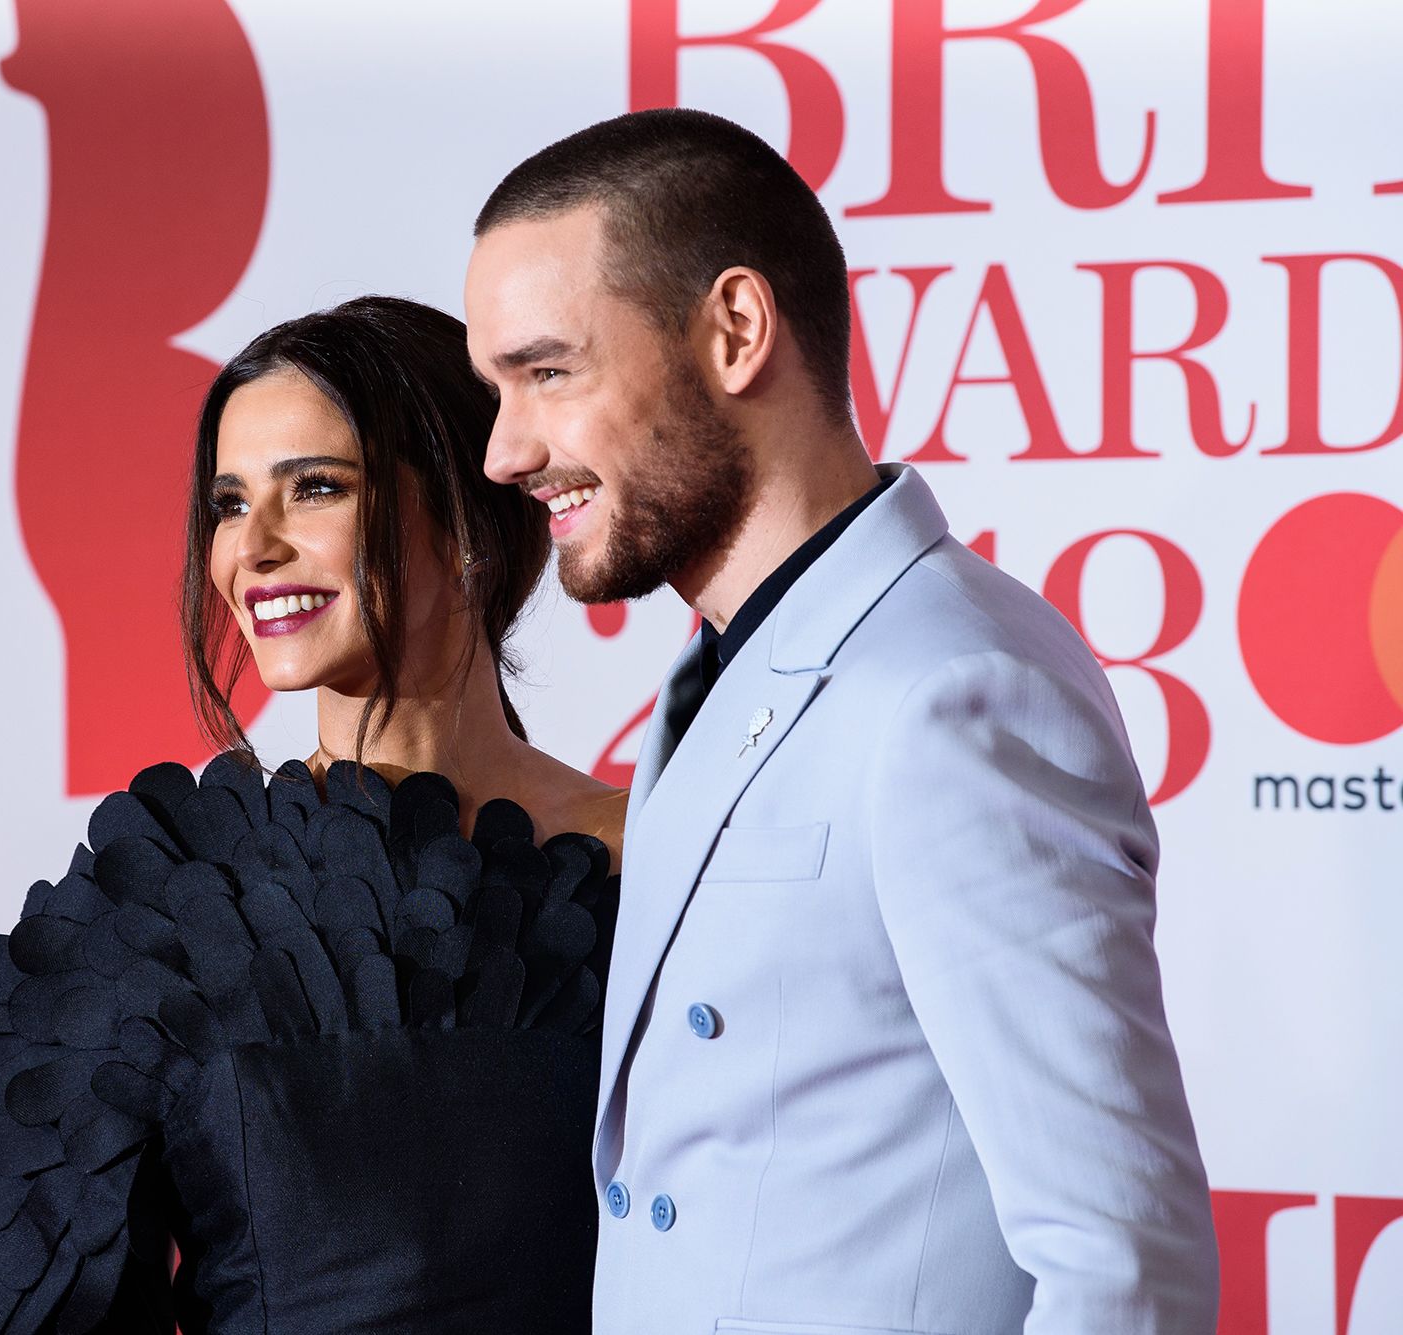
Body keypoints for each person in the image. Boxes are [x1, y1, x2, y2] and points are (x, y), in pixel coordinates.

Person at [464, 109, 1219, 1334]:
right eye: (493, 388)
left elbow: (1122, 1257)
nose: (504, 450)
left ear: (736, 331)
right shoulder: (720, 675)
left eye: (547, 372)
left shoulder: (954, 692)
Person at [0, 296, 627, 1333]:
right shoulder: (162, 911)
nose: (254, 547)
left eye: (315, 489)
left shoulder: (659, 858)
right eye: (230, 504)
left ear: (469, 519)